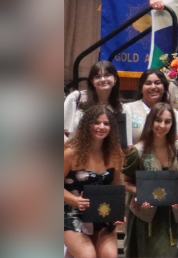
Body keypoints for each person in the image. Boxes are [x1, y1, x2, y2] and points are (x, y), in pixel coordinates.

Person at [123, 104, 178, 257]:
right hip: (145, 214)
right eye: (158, 120)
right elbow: (125, 182)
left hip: (173, 213)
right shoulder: (138, 151)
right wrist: (141, 193)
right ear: (151, 121)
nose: (162, 125)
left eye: (167, 121)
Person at [64, 107, 126, 258]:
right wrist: (75, 200)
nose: (101, 127)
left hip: (102, 213)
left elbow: (115, 186)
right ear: (87, 125)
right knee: (87, 255)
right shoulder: (71, 152)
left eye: (106, 123)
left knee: (109, 255)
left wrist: (118, 211)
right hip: (71, 212)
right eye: (96, 122)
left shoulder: (115, 153)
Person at [65, 61, 125, 145]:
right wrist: (71, 150)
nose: (103, 79)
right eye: (98, 76)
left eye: (107, 75)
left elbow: (122, 143)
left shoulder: (121, 108)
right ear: (92, 81)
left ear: (115, 79)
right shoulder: (76, 98)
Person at [130, 67, 178, 142]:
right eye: (148, 83)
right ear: (141, 89)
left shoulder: (174, 114)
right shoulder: (128, 109)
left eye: (157, 83)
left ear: (165, 88)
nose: (153, 87)